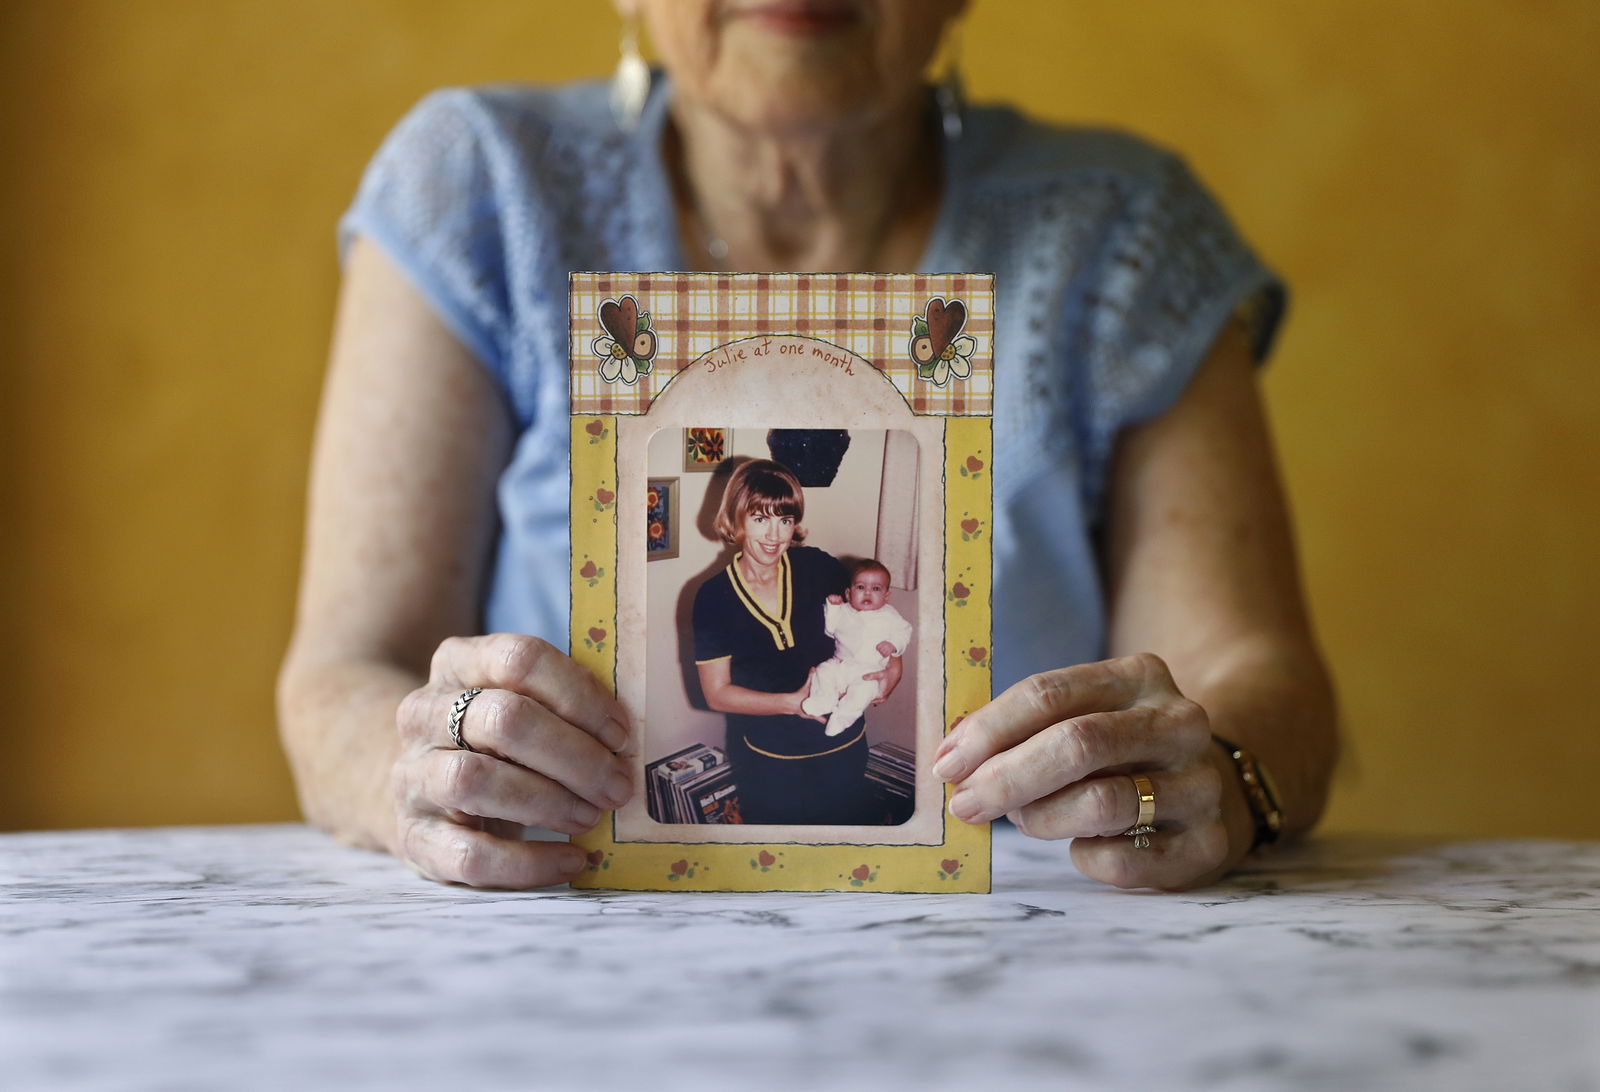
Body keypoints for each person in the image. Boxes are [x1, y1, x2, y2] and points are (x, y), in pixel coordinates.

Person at [278, 0, 1337, 891]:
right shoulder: (477, 184)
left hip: (1023, 959)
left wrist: (1220, 777)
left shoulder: (1125, 227)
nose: (781, 525)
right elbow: (342, 674)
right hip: (582, 948)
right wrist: (414, 767)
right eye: (765, 509)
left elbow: (1252, 677)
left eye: (788, 508)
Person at [691, 460, 897, 825]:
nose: (774, 536)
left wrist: (893, 668)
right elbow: (717, 693)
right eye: (760, 519)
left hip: (845, 745)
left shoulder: (818, 567)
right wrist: (791, 704)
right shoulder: (713, 598)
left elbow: (876, 619)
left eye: (785, 520)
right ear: (736, 519)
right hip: (770, 759)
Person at [802, 559, 912, 737]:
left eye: (876, 589)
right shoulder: (844, 610)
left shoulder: (889, 615)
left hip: (869, 671)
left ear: (886, 596)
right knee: (823, 672)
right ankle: (824, 700)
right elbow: (830, 630)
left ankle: (842, 718)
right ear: (848, 593)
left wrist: (894, 645)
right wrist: (833, 607)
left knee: (863, 692)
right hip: (841, 664)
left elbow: (904, 631)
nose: (867, 592)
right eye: (860, 587)